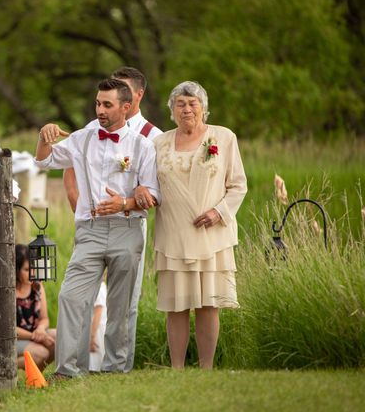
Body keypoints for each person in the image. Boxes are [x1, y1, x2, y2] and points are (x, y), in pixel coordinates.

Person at [35, 78, 160, 377]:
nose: (100, 110)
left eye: (107, 105)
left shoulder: (143, 145)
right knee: (71, 296)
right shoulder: (83, 137)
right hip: (89, 231)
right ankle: (68, 370)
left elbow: (153, 193)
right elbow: (44, 161)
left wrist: (126, 203)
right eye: (97, 103)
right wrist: (43, 137)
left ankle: (115, 370)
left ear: (126, 107)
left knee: (120, 305)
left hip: (126, 229)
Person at [136, 81, 247, 369]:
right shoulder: (157, 143)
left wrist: (218, 213)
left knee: (208, 305)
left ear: (203, 108)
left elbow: (238, 186)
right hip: (173, 234)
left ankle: (207, 367)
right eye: (180, 104)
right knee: (176, 306)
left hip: (211, 234)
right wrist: (139, 191)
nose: (187, 109)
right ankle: (177, 368)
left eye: (192, 103)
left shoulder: (223, 138)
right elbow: (146, 182)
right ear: (172, 110)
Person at [15, 244, 56, 371]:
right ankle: (3, 368)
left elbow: (44, 319)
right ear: (16, 270)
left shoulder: (37, 285)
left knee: (58, 337)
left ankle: (36, 377)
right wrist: (35, 336)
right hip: (14, 339)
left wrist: (41, 329)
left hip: (35, 333)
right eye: (27, 270)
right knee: (41, 353)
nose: (32, 273)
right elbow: (9, 329)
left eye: (34, 268)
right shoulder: (7, 292)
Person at [89, 280, 107, 372]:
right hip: (95, 326)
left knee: (96, 352)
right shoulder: (98, 286)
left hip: (97, 327)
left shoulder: (99, 288)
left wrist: (92, 335)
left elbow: (98, 312)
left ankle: (96, 369)